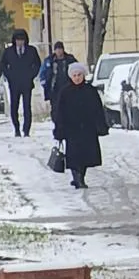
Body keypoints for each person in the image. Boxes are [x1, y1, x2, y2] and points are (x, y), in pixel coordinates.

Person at [51, 61, 108, 189]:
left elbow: (98, 109)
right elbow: (59, 111)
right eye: (74, 75)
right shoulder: (65, 92)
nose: (77, 78)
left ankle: (80, 176)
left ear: (83, 75)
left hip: (87, 128)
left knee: (86, 156)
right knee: (74, 156)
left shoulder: (90, 91)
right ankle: (77, 178)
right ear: (71, 76)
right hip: (72, 129)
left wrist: (100, 125)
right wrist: (59, 128)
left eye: (79, 75)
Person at [0, 29, 43, 137]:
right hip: (14, 83)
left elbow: (37, 64)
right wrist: (9, 75)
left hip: (27, 82)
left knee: (27, 106)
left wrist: (31, 75)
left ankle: (26, 129)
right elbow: (3, 65)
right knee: (14, 106)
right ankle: (16, 128)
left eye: (22, 40)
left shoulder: (31, 50)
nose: (20, 42)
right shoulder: (9, 51)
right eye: (18, 40)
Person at [40, 42, 77, 110]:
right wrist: (45, 85)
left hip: (68, 88)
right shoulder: (49, 60)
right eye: (57, 49)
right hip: (54, 90)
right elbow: (43, 73)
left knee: (68, 108)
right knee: (55, 108)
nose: (59, 51)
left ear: (63, 49)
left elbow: (77, 69)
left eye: (60, 49)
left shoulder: (70, 59)